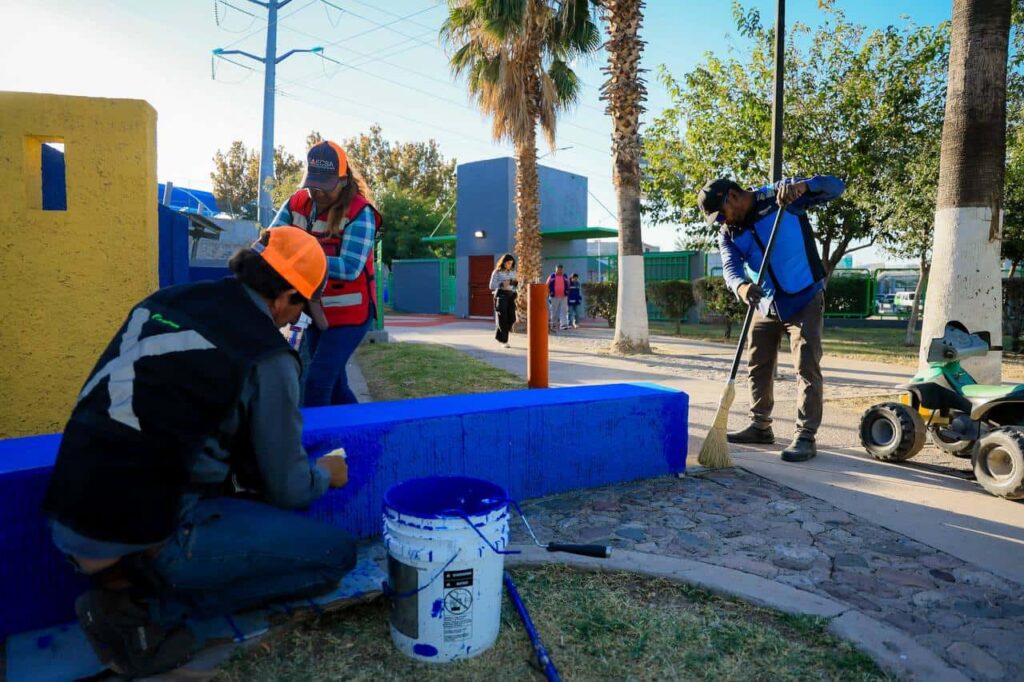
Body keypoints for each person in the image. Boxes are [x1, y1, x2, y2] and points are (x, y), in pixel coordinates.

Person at [42, 227, 356, 677]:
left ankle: (123, 579)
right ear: (287, 296)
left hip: (66, 505)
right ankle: (144, 609)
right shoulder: (268, 355)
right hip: (143, 530)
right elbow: (288, 489)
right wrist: (325, 473)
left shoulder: (165, 300)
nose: (293, 321)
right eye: (299, 309)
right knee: (335, 555)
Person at [698, 175, 845, 463]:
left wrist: (804, 187)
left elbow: (836, 187)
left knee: (806, 367)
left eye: (721, 215)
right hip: (765, 303)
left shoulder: (780, 197)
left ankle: (805, 436)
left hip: (804, 297)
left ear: (732, 196)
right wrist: (742, 287)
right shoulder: (728, 234)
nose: (721, 222)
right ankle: (760, 426)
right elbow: (730, 268)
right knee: (758, 366)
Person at [272, 140, 383, 407]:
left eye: (326, 185)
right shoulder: (297, 203)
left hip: (350, 313)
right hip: (314, 310)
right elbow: (271, 241)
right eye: (313, 184)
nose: (317, 192)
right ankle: (361, 428)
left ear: (343, 181)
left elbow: (349, 267)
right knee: (335, 386)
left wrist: (299, 257)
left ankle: (316, 434)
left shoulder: (361, 212)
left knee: (317, 382)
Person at [489, 253, 518, 347]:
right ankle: (504, 341)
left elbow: (515, 284)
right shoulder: (497, 272)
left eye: (511, 263)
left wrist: (514, 284)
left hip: (510, 295)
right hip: (500, 295)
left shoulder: (513, 271)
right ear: (503, 262)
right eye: (508, 263)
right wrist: (502, 284)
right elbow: (491, 286)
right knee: (503, 318)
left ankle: (500, 334)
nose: (510, 265)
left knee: (512, 318)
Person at [547, 264, 570, 332]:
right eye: (558, 269)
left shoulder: (565, 276)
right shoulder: (552, 276)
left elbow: (568, 285)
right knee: (554, 310)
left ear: (562, 270)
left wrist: (567, 292)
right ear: (556, 269)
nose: (559, 271)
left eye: (560, 269)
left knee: (564, 310)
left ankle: (563, 325)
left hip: (564, 296)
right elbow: (547, 285)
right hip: (554, 296)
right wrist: (548, 293)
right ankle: (553, 324)